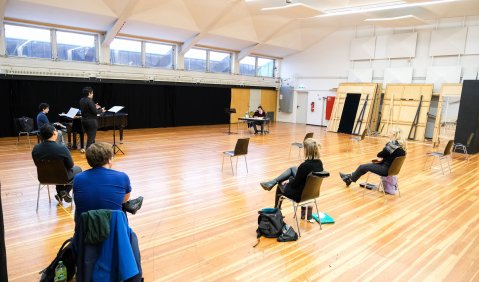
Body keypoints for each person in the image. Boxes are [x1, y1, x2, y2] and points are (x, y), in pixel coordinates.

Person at [73, 142, 142, 223]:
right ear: (109, 160)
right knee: (122, 207)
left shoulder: (78, 178)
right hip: (113, 230)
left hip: (85, 229)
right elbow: (124, 200)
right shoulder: (122, 177)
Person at [260, 138, 324, 208]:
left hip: (299, 195)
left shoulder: (304, 166)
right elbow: (305, 178)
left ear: (307, 150)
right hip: (312, 193)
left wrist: (289, 180)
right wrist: (292, 179)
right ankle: (272, 182)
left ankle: (277, 209)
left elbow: (294, 184)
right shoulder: (319, 163)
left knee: (280, 183)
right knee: (293, 168)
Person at [32, 124, 82, 203]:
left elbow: (37, 164)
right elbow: (70, 165)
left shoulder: (36, 148)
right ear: (54, 133)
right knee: (78, 170)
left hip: (44, 177)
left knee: (59, 172)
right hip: (62, 176)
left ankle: (60, 194)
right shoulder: (62, 148)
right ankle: (65, 191)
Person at [339, 127, 407, 187]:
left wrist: (386, 146)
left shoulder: (392, 145)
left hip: (385, 169)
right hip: (392, 170)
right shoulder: (402, 146)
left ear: (394, 135)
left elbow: (380, 154)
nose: (388, 134)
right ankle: (349, 178)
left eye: (390, 132)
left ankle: (349, 178)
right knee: (365, 167)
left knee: (362, 167)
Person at [79, 86, 105, 152]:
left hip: (84, 121)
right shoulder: (90, 101)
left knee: (91, 137)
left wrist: (94, 106)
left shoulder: (81, 100)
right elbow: (96, 112)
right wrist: (101, 110)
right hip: (91, 121)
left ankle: (93, 151)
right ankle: (88, 154)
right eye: (92, 93)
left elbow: (87, 109)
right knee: (91, 138)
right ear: (89, 93)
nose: (93, 94)